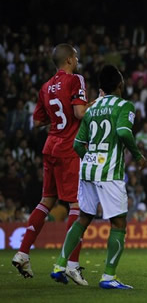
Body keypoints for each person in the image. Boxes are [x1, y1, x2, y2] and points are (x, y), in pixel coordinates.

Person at [50, 65, 145, 289]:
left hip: (88, 171)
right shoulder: (125, 106)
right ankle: (109, 277)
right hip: (110, 172)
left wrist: (92, 157)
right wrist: (138, 156)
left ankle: (59, 265)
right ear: (120, 84)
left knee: (83, 218)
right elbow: (123, 132)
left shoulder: (91, 109)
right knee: (119, 223)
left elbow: (77, 145)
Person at [12, 44, 92, 285]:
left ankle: (23, 252)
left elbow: (37, 121)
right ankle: (72, 264)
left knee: (46, 201)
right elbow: (79, 113)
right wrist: (96, 104)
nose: (77, 61)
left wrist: (57, 116)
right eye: (76, 57)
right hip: (69, 149)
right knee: (78, 205)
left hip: (50, 147)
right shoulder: (75, 79)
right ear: (68, 60)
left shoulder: (46, 86)